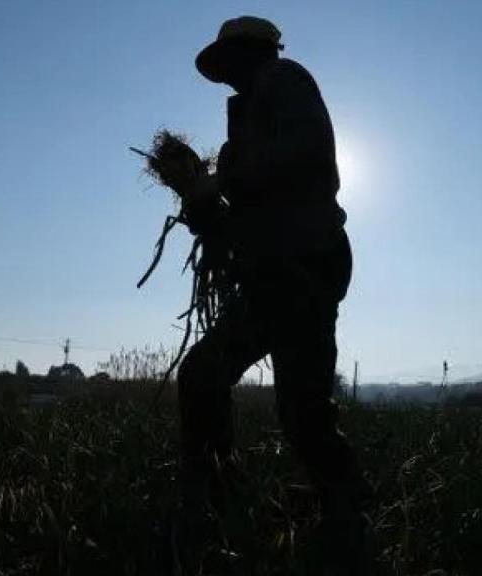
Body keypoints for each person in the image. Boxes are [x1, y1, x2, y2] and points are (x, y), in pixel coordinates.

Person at [172, 15, 370, 572]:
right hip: (273, 268)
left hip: (303, 263)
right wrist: (206, 208)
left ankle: (345, 509)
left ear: (249, 51)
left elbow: (305, 154)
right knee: (210, 374)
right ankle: (218, 487)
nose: (222, 75)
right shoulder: (248, 113)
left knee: (299, 409)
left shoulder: (285, 80)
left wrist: (223, 182)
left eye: (227, 60)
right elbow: (252, 203)